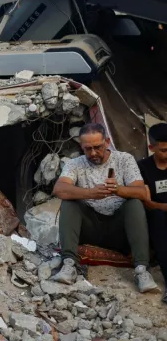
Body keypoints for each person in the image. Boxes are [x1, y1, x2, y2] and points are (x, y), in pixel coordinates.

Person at [51, 123, 158, 292]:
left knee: (134, 203)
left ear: (107, 142)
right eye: (88, 149)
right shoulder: (75, 164)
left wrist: (118, 190)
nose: (93, 153)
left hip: (119, 228)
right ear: (81, 146)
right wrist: (91, 193)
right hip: (90, 227)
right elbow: (59, 189)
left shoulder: (124, 159)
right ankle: (69, 264)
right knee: (69, 201)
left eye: (98, 147)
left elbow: (142, 193)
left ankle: (142, 270)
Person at [138, 122, 167, 303]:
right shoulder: (142, 167)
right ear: (151, 147)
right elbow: (147, 203)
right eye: (163, 150)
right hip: (156, 217)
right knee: (158, 218)